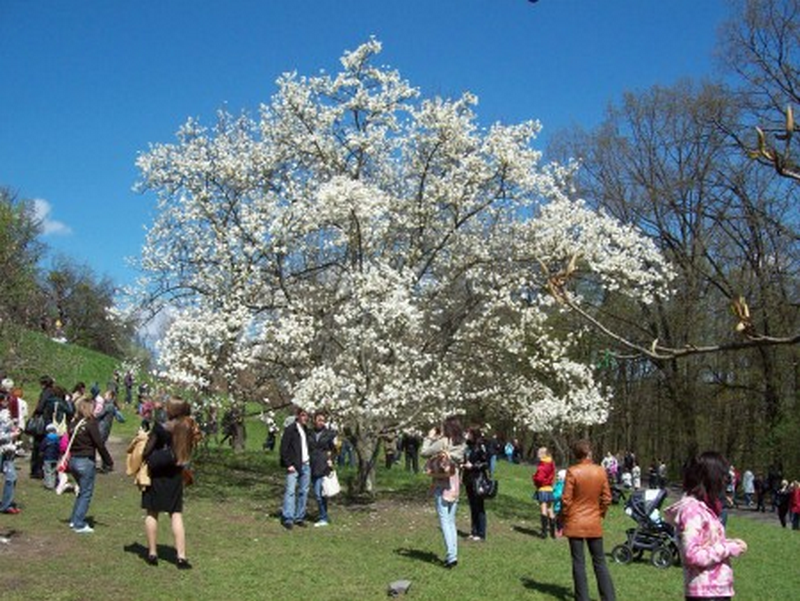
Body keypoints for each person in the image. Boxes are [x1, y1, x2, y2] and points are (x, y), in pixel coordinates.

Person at [665, 451, 748, 600]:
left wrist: (730, 543)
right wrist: (728, 548)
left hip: (716, 592)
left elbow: (708, 544)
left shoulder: (705, 508)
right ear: (711, 477)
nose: (725, 480)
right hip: (706, 594)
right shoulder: (692, 511)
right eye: (722, 476)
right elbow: (693, 555)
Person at [142, 396, 200, 568]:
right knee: (176, 514)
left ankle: (152, 552)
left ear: (171, 410)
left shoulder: (161, 428)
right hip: (175, 474)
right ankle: (181, 556)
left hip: (157, 474)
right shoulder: (187, 428)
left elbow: (147, 451)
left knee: (152, 512)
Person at [561, 439, 616, 601]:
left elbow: (566, 500)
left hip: (575, 521)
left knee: (578, 562)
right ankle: (609, 597)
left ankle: (582, 598)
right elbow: (607, 498)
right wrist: (599, 514)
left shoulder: (572, 471)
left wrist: (565, 517)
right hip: (593, 521)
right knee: (600, 562)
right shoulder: (600, 471)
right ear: (589, 453)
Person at [421, 416, 466, 568]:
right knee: (451, 521)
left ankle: (451, 555)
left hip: (442, 483)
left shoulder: (443, 442)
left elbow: (424, 452)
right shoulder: (461, 443)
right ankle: (453, 553)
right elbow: (459, 459)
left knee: (444, 521)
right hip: (455, 483)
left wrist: (429, 437)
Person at [66, 396, 114, 533]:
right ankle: (78, 524)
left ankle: (74, 519)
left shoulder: (73, 423)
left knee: (81, 491)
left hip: (73, 460)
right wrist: (108, 461)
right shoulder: (90, 423)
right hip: (85, 460)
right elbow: (99, 443)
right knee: (86, 493)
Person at [279, 407, 311, 529]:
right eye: (303, 415)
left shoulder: (306, 430)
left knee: (303, 492)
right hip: (294, 465)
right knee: (291, 491)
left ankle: (299, 516)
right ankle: (288, 517)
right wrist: (288, 464)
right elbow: (283, 449)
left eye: (307, 416)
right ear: (298, 416)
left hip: (306, 464)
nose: (305, 418)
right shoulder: (290, 430)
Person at [308, 411, 337, 527]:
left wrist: (331, 459)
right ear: (314, 420)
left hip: (324, 465)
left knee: (320, 493)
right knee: (318, 493)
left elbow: (335, 449)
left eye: (323, 420)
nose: (321, 422)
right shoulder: (309, 433)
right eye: (319, 420)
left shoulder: (329, 434)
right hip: (312, 464)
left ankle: (323, 517)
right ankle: (323, 515)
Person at [462, 426, 489, 541]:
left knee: (479, 506)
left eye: (469, 433)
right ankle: (473, 531)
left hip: (478, 479)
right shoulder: (467, 446)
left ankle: (481, 533)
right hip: (468, 478)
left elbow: (485, 463)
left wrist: (473, 466)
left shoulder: (480, 447)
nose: (467, 435)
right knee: (472, 506)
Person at [0, 402, 21, 514]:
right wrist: (12, 435)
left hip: (8, 452)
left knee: (12, 477)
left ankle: (6, 504)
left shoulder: (6, 414)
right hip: (2, 451)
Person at [532, 446, 557, 539]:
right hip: (550, 488)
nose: (538, 454)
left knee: (543, 509)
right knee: (550, 510)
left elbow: (539, 478)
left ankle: (544, 532)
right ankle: (552, 533)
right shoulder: (551, 463)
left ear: (543, 454)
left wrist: (534, 478)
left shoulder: (542, 465)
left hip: (543, 489)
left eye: (539, 452)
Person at [40, 423, 62, 490]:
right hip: (55, 457)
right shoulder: (57, 439)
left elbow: (42, 447)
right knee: (53, 471)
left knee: (47, 471)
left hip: (47, 457)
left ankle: (49, 485)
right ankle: (53, 483)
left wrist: (41, 452)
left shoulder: (46, 439)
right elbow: (59, 448)